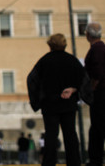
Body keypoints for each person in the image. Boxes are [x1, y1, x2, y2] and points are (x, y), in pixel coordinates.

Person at [27, 33, 87, 166]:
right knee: (70, 134)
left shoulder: (44, 61)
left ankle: (49, 163)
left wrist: (37, 101)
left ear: (50, 45)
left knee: (51, 136)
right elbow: (83, 79)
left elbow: (32, 80)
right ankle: (74, 162)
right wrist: (75, 90)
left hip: (50, 104)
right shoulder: (72, 60)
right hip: (69, 103)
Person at [84, 22, 105, 166]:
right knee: (97, 128)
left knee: (102, 126)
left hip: (100, 93)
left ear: (88, 34)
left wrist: (91, 88)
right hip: (102, 92)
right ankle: (95, 159)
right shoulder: (102, 48)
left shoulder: (97, 50)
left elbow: (98, 74)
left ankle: (95, 159)